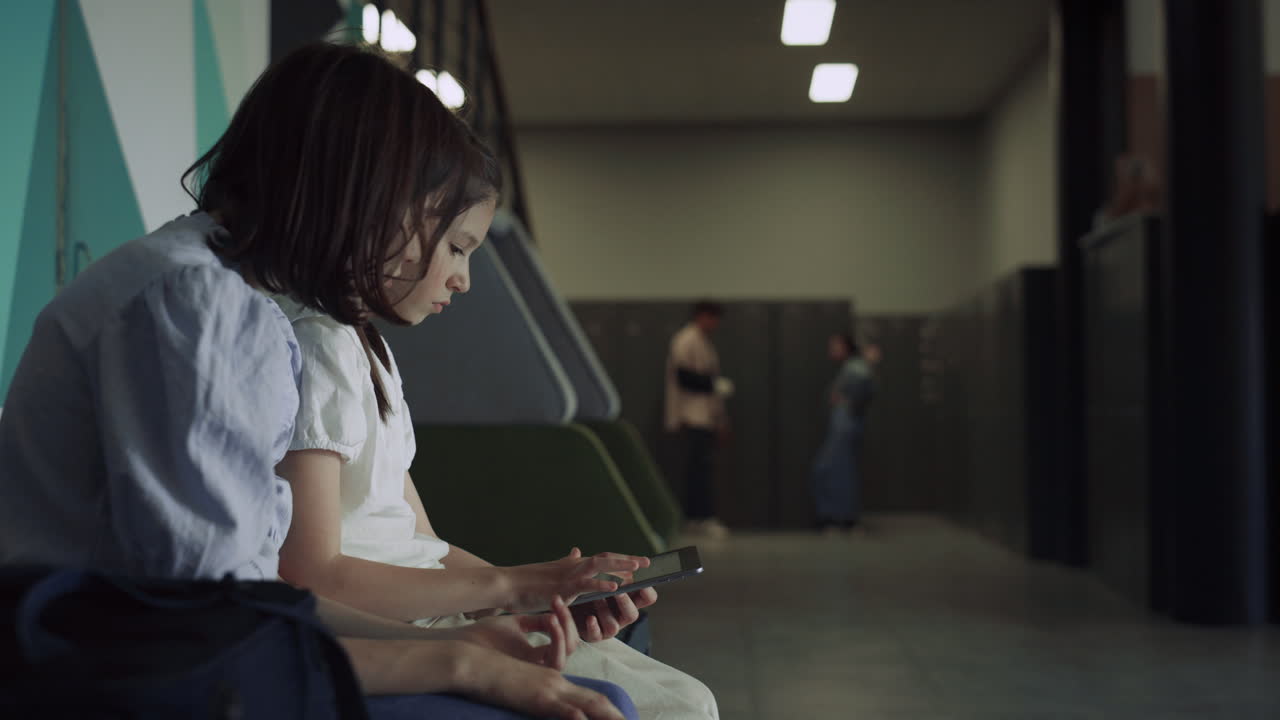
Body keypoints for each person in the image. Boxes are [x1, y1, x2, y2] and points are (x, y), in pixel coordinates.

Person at [0, 42, 633, 720]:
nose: (456, 273)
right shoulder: (200, 305)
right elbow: (218, 626)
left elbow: (250, 598)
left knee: (593, 696)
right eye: (442, 232)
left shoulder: (206, 288)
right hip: (106, 675)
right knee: (598, 706)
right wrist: (457, 660)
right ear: (368, 194)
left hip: (152, 654)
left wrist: (460, 642)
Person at [268, 145, 720, 720]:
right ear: (391, 222)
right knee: (679, 707)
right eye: (457, 249)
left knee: (686, 698)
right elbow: (312, 574)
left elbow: (423, 545)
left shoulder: (368, 347)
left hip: (435, 611)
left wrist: (544, 595)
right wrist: (515, 586)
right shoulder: (316, 344)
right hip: (392, 627)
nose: (463, 279)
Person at [664, 301, 733, 540]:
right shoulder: (686, 339)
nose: (715, 324)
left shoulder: (703, 342)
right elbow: (684, 377)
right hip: (692, 416)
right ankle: (700, 518)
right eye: (712, 318)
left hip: (704, 417)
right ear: (702, 316)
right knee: (698, 470)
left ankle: (697, 517)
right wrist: (712, 384)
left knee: (701, 469)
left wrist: (721, 420)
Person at [810, 334, 878, 535]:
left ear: (846, 347)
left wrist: (844, 401)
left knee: (838, 471)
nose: (831, 350)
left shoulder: (856, 367)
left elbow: (865, 391)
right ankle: (838, 518)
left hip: (845, 425)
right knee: (831, 470)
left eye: (835, 346)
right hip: (843, 424)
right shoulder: (852, 367)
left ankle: (842, 520)